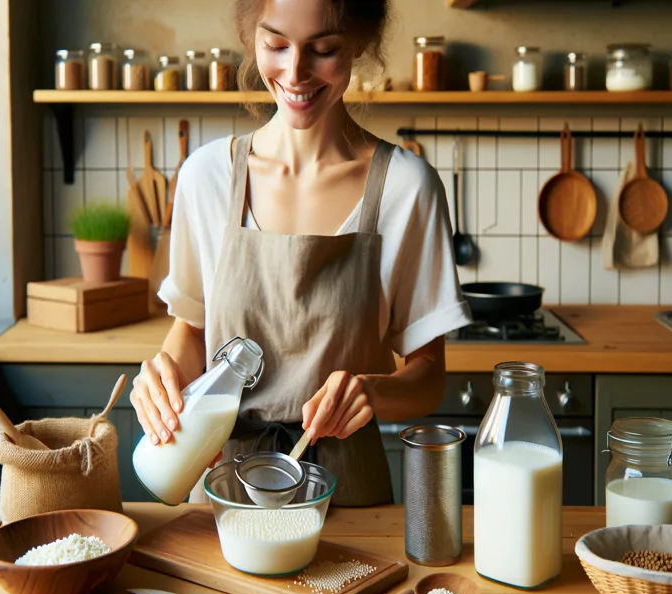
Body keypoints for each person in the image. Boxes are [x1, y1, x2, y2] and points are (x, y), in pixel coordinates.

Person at [130, 0, 472, 507]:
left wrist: (371, 393)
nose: (295, 72)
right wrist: (165, 381)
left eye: (324, 49)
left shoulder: (406, 187)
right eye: (276, 44)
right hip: (224, 487)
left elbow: (428, 377)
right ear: (253, 41)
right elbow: (194, 330)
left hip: (348, 492)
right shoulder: (207, 177)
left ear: (358, 44)